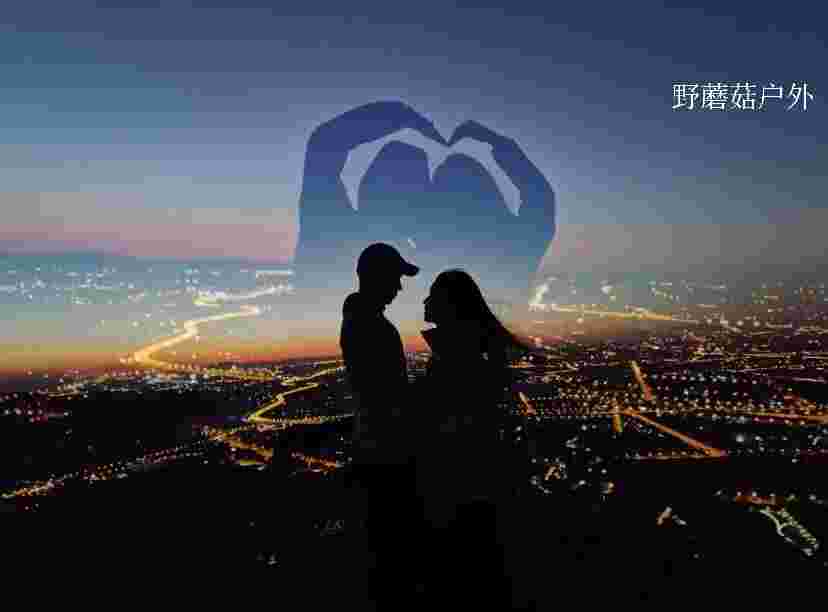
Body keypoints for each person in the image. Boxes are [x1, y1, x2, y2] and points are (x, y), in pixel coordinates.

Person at [414, 268, 531, 607]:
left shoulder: (459, 352)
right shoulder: (466, 347)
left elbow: (454, 416)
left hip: (461, 481)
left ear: (450, 304)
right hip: (470, 479)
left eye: (432, 294)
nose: (425, 301)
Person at [339, 242, 421, 604]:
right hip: (386, 452)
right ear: (375, 277)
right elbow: (388, 397)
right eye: (394, 278)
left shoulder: (358, 320)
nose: (399, 288)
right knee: (391, 554)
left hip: (373, 447)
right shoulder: (372, 326)